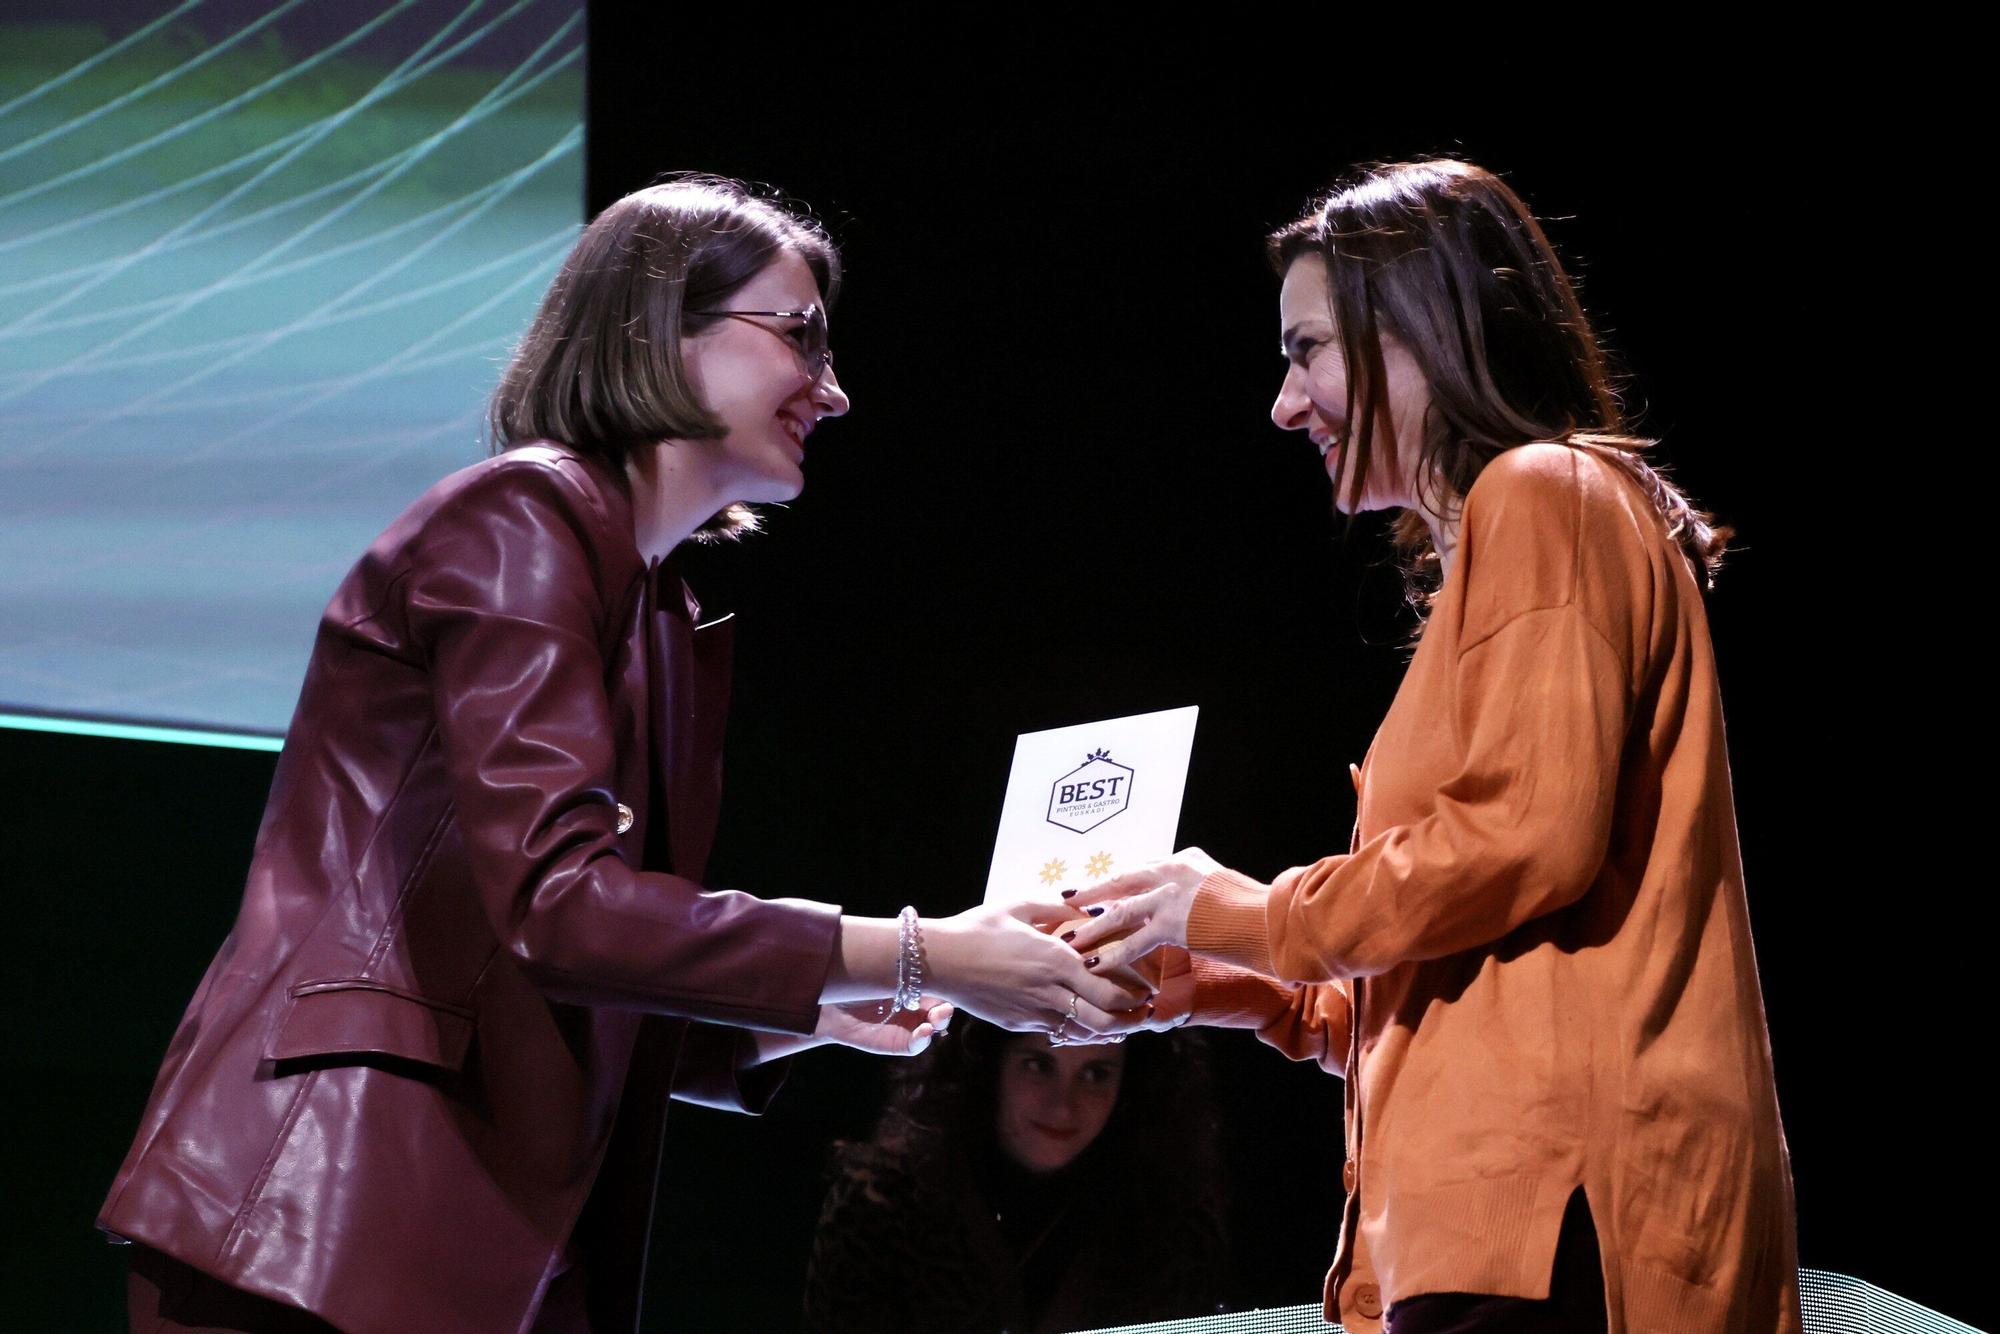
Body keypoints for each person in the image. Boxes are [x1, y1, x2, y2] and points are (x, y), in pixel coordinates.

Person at [98, 176, 1145, 1334]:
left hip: (457, 1242)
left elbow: (569, 971)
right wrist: (913, 951)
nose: (834, 389)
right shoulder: (520, 518)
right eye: (800, 335)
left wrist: (823, 1001)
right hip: (318, 1225)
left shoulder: (653, 608)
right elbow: (560, 909)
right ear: (659, 328)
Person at [1059, 159, 1803, 1333]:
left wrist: (1254, 911)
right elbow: (1482, 962)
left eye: (1306, 350)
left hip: (1561, 1217)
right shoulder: (1531, 526)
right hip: (1509, 1217)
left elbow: (1522, 840)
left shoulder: (1543, 491)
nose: (1284, 403)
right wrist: (1238, 980)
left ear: (1419, 330)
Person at [804, 1018, 1227, 1334]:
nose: (1063, 1106)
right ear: (987, 1064)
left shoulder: (1172, 1222)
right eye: (1038, 1065)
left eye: (1096, 1073)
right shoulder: (882, 1200)